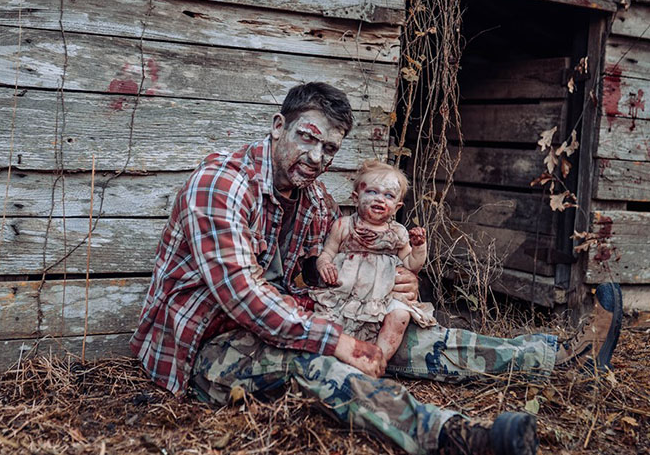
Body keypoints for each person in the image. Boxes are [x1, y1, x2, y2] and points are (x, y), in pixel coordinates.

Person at [130, 82, 623, 455]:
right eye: (308, 138)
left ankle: (556, 357)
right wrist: (337, 340)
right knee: (318, 363)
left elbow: (320, 271)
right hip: (207, 345)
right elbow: (241, 296)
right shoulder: (221, 184)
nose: (317, 157)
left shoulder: (314, 199)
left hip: (289, 315)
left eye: (329, 150)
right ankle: (455, 436)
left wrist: (398, 276)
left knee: (411, 337)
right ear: (278, 127)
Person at [311, 160, 438, 363]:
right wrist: (324, 264)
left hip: (383, 297)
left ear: (396, 207)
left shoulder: (397, 233)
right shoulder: (343, 226)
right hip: (345, 295)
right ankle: (337, 359)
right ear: (355, 197)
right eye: (372, 192)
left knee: (400, 315)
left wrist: (419, 247)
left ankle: (377, 361)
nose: (380, 199)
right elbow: (327, 253)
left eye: (388, 195)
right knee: (329, 321)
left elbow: (412, 265)